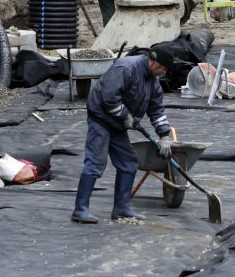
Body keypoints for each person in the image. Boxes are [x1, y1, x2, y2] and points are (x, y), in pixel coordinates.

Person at [71, 47, 175, 223]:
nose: (164, 72)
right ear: (152, 61)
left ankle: (121, 208)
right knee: (96, 163)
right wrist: (125, 115)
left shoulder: (153, 80)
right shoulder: (126, 68)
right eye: (162, 68)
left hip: (117, 125)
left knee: (128, 162)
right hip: (101, 119)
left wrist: (164, 135)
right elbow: (108, 97)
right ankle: (80, 210)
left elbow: (156, 109)